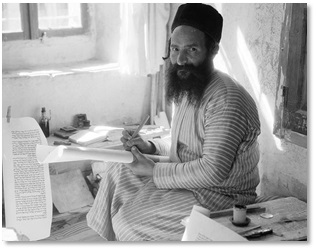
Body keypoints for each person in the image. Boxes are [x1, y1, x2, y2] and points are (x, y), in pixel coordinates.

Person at [87, 3, 261, 241]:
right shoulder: (191, 85)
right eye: (175, 48)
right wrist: (149, 148)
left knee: (130, 222)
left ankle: (130, 229)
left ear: (213, 49)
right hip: (190, 180)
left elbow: (212, 171)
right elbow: (184, 147)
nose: (179, 59)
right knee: (118, 169)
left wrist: (154, 170)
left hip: (219, 196)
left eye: (192, 49)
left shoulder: (226, 100)